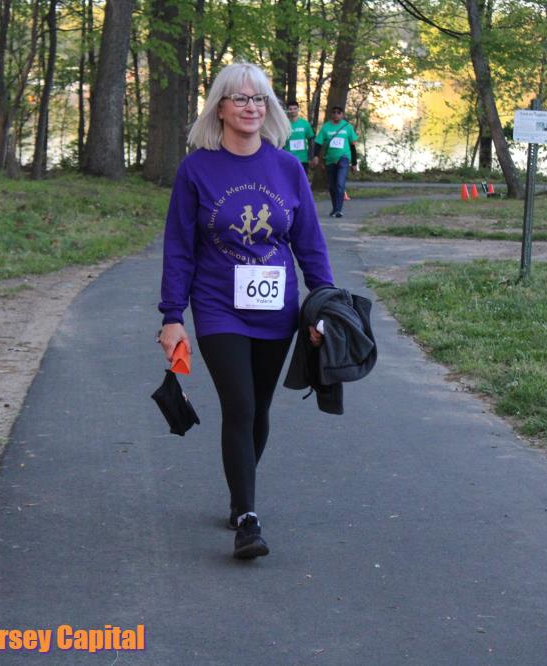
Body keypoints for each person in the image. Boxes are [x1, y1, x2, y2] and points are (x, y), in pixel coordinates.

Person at [157, 63, 334, 560]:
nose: (251, 107)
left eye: (259, 99)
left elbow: (309, 243)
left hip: (276, 309)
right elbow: (179, 247)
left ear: (269, 107)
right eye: (239, 98)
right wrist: (172, 315)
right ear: (220, 107)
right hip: (218, 307)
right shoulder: (197, 170)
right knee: (238, 405)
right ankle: (249, 519)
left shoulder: (287, 168)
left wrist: (325, 302)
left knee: (259, 407)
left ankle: (240, 497)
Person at [311, 106, 358, 218]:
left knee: (340, 184)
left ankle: (338, 210)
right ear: (331, 114)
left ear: (342, 114)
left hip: (344, 158)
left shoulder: (347, 127)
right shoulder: (326, 127)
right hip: (330, 160)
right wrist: (316, 156)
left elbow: (352, 146)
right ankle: (335, 208)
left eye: (338, 112)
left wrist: (354, 163)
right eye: (334, 112)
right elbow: (318, 143)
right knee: (332, 186)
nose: (336, 114)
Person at [283, 100, 314, 175]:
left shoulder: (305, 124)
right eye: (290, 109)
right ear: (287, 110)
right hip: (289, 158)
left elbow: (311, 140)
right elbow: (280, 142)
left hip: (303, 159)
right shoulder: (284, 125)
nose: (293, 111)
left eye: (295, 108)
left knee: (302, 180)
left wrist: (310, 156)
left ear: (298, 109)